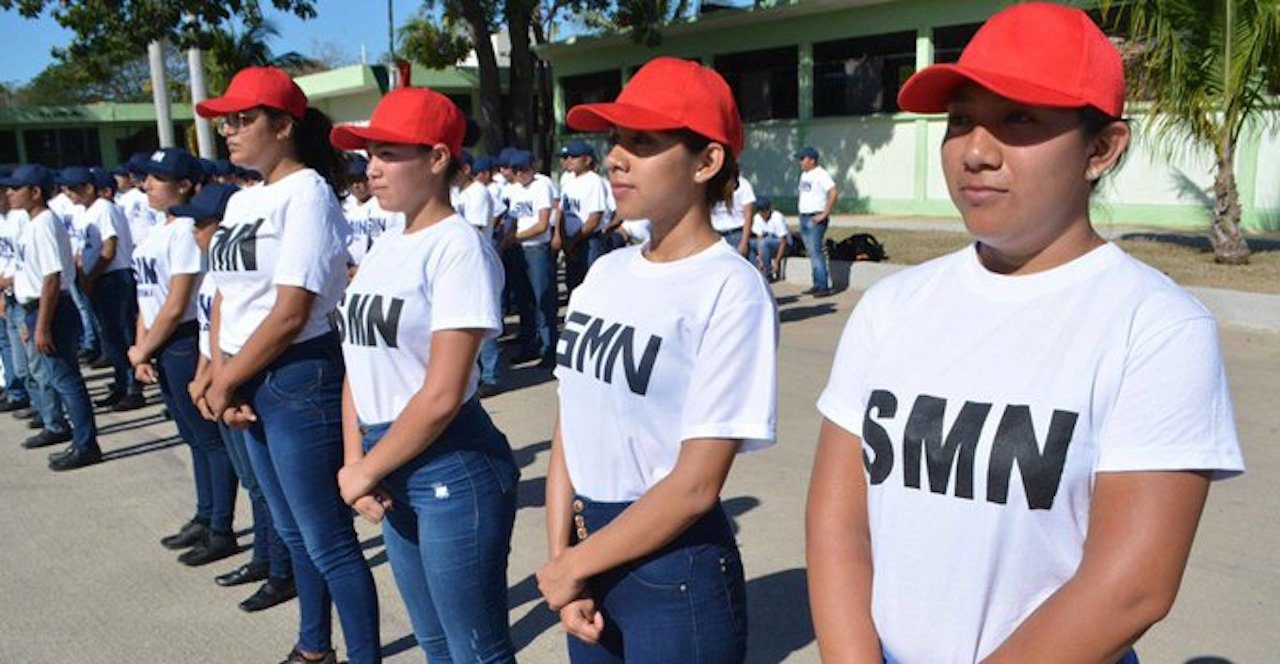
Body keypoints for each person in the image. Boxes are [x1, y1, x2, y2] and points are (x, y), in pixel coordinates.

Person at [805, 5, 1247, 664]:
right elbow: (838, 521)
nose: (976, 152)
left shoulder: (1154, 328)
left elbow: (1131, 588)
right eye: (960, 120)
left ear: (1102, 148)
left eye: (1019, 119)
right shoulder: (891, 306)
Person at [538, 56, 779, 663]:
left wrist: (575, 564)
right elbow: (573, 421)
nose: (615, 157)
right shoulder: (604, 272)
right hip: (588, 557)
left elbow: (697, 485)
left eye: (642, 142)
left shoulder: (729, 289)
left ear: (707, 161)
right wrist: (563, 559)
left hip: (673, 572)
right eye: (616, 140)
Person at [193, 65, 379, 664]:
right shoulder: (245, 198)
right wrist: (214, 369)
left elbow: (291, 310)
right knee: (291, 528)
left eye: (243, 119)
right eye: (226, 121)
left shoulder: (309, 194)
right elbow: (225, 292)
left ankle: (363, 656)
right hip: (247, 375)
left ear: (284, 125)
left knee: (327, 538)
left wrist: (225, 379)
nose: (229, 131)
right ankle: (313, 646)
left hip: (298, 375)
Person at [329, 85, 520, 664]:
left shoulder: (458, 248)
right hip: (386, 462)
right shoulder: (386, 244)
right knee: (437, 646)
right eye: (369, 154)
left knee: (475, 652)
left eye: (389, 153)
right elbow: (355, 364)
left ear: (438, 158)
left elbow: (441, 396)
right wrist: (353, 461)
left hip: (452, 466)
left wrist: (364, 469)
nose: (373, 168)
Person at [182, 182, 298, 611]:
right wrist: (204, 378)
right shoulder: (215, 273)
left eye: (201, 225)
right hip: (220, 382)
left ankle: (281, 571)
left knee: (266, 488)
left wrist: (219, 380)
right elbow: (210, 332)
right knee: (252, 483)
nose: (194, 233)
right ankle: (263, 558)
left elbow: (241, 331)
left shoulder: (243, 276)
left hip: (240, 382)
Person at [129, 148, 240, 567]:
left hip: (180, 340)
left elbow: (177, 304)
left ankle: (221, 527)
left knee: (209, 440)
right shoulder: (160, 229)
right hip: (158, 342)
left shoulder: (185, 233)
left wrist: (147, 346)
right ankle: (204, 512)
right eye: (149, 178)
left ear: (187, 186)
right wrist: (141, 347)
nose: (149, 185)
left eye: (159, 179)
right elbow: (147, 297)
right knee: (192, 437)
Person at [2, 164, 102, 470]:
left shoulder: (45, 222)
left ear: (35, 192)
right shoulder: (32, 223)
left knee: (66, 379)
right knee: (60, 378)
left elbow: (51, 279)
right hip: (36, 309)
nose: (9, 193)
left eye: (16, 188)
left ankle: (85, 445)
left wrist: (42, 325)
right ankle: (79, 440)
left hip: (52, 308)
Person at [59, 167, 145, 411]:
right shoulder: (86, 212)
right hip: (99, 278)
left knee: (120, 334)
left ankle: (132, 386)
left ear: (88, 188)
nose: (69, 195)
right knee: (110, 336)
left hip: (112, 278)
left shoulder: (103, 208)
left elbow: (109, 247)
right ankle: (121, 383)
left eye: (73, 189)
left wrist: (91, 275)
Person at [506, 150, 559, 368]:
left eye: (523, 170)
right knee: (524, 301)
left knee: (543, 300)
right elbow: (513, 219)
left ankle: (549, 349)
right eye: (515, 170)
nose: (519, 174)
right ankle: (529, 345)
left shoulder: (541, 186)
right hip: (519, 249)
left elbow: (542, 224)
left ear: (532, 169)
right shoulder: (514, 190)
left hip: (536, 248)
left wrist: (514, 238)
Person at [559, 140, 610, 293]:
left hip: (589, 241)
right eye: (566, 157)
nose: (568, 160)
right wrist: (564, 239)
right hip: (570, 240)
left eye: (573, 157)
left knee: (591, 285)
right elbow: (562, 211)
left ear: (587, 160)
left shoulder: (594, 181)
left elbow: (595, 218)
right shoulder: (568, 180)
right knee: (573, 284)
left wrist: (573, 241)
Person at [0, 175, 32, 413]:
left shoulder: (21, 218)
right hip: (7, 293)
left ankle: (45, 409)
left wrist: (7, 282)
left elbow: (25, 262)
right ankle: (19, 393)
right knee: (11, 349)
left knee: (31, 356)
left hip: (23, 293)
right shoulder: (3, 220)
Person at [794, 147, 837, 297]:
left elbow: (833, 192)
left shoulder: (821, 174)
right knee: (811, 251)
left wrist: (824, 213)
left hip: (815, 217)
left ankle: (824, 286)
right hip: (804, 217)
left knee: (816, 251)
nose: (800, 162)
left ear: (812, 160)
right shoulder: (804, 175)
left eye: (803, 159)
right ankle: (817, 283)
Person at [709, 173, 756, 259]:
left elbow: (748, 215)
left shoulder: (743, 184)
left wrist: (744, 243)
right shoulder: (711, 183)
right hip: (715, 235)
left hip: (736, 234)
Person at [748, 197, 789, 282]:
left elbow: (783, 241)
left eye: (764, 211)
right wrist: (760, 258)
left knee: (765, 243)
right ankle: (756, 270)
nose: (762, 213)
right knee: (749, 244)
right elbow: (759, 238)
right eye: (759, 211)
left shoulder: (777, 217)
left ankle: (767, 274)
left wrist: (777, 261)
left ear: (769, 209)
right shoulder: (757, 217)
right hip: (766, 245)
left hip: (783, 245)